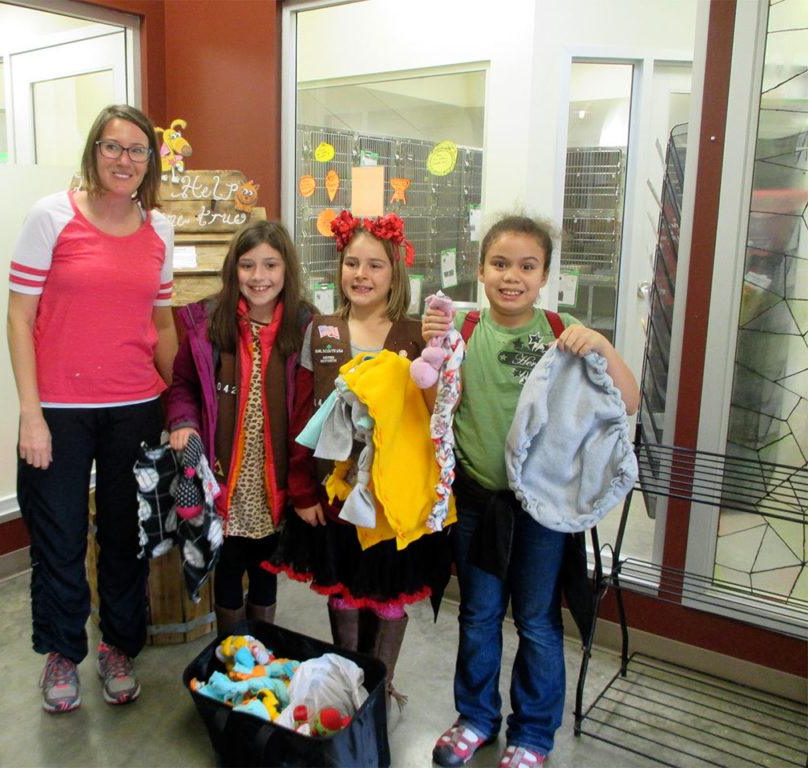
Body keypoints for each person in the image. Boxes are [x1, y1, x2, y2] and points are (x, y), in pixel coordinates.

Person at [425, 215, 638, 768]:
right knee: (477, 614)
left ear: (545, 275)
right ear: (480, 270)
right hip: (476, 503)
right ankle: (474, 718)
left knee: (538, 621)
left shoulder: (559, 328)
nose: (511, 276)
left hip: (544, 509)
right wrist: (432, 348)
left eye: (527, 266)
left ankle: (534, 734)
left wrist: (603, 346)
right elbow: (434, 409)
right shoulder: (465, 328)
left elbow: (629, 401)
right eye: (499, 264)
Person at [7, 104, 177, 714]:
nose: (124, 159)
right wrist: (31, 413)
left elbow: (159, 320)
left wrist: (179, 401)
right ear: (93, 151)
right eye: (113, 147)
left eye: (137, 150)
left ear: (150, 161)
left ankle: (118, 648)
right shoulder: (50, 216)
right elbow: (19, 317)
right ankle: (60, 652)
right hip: (58, 408)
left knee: (124, 536)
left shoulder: (160, 228)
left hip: (135, 405)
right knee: (58, 535)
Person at [266, 209, 452, 708]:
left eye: (375, 266)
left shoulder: (416, 336)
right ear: (340, 268)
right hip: (336, 494)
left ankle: (381, 683)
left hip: (395, 499)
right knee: (346, 588)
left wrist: (441, 349)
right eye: (352, 264)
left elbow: (439, 419)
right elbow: (303, 416)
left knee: (389, 594)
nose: (362, 276)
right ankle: (347, 681)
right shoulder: (322, 332)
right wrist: (302, 488)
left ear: (395, 273)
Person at [165, 220, 315, 635]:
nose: (259, 277)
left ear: (287, 270)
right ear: (234, 269)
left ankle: (261, 645)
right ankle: (230, 649)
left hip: (274, 478)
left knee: (266, 567)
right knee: (227, 566)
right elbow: (183, 386)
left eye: (270, 265)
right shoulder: (207, 322)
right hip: (223, 474)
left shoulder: (305, 325)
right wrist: (183, 422)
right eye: (248, 266)